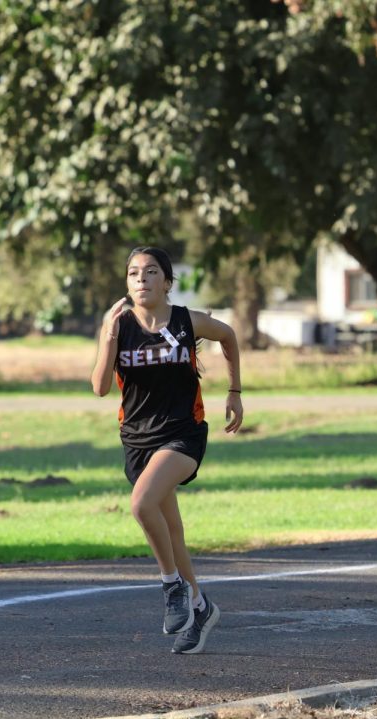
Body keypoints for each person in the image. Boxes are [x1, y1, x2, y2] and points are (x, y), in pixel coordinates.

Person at [91, 246, 243, 654]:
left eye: (151, 272)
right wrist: (107, 336)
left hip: (183, 433)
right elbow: (100, 387)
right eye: (134, 273)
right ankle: (200, 605)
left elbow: (227, 335)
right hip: (137, 439)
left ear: (167, 282)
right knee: (171, 529)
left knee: (141, 504)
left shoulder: (184, 321)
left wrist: (234, 392)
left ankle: (171, 585)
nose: (142, 279)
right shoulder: (119, 327)